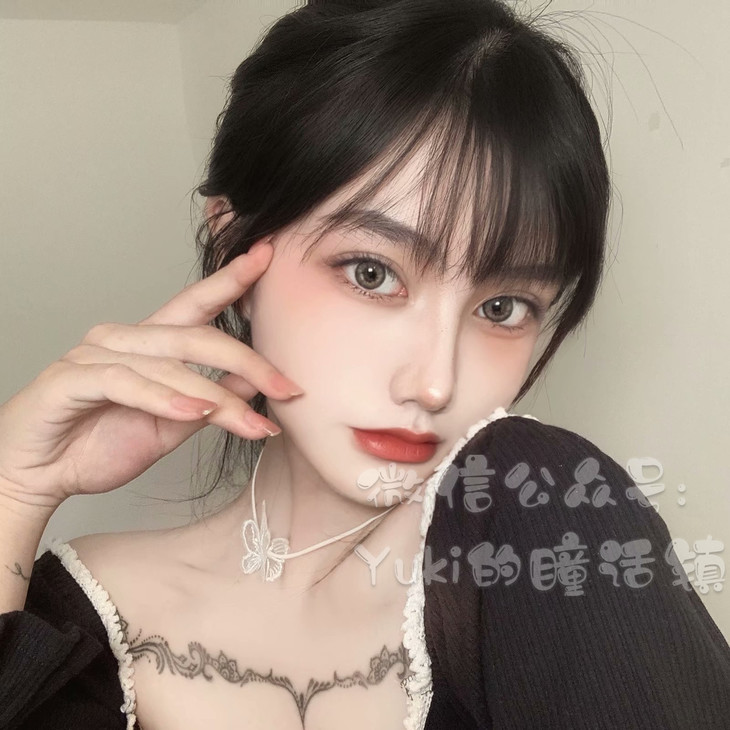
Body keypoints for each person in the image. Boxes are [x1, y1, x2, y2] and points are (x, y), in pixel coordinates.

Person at [1, 0, 729, 728]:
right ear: (233, 248)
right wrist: (13, 490)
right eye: (373, 273)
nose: (435, 384)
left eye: (503, 307)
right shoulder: (76, 614)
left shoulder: (552, 523)